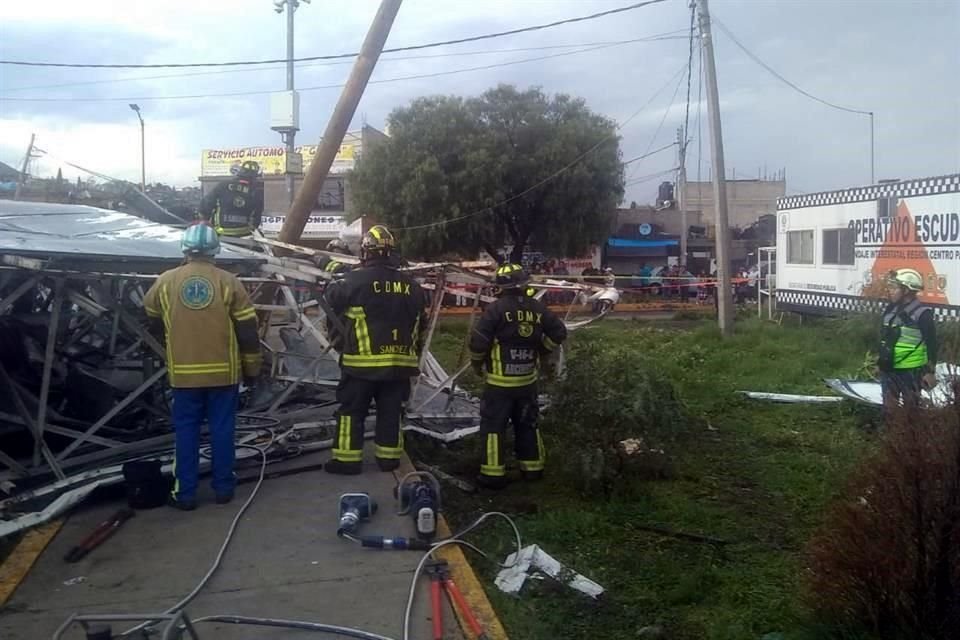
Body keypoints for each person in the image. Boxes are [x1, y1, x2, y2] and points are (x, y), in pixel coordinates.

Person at [142, 224, 262, 510]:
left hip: (183, 375)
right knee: (223, 430)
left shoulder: (165, 281)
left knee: (186, 433)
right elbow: (247, 330)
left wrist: (170, 336)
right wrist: (253, 369)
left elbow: (151, 315)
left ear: (185, 249)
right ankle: (224, 489)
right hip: (224, 373)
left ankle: (185, 494)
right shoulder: (229, 281)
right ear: (215, 250)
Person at [323, 225, 428, 474]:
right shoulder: (413, 287)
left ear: (365, 253)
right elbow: (421, 325)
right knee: (391, 412)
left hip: (362, 365)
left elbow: (331, 300)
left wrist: (333, 268)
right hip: (399, 365)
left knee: (351, 411)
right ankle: (388, 459)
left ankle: (346, 461)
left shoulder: (353, 281)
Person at [469, 264, 568, 489]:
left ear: (501, 287)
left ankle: (492, 475)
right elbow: (559, 332)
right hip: (527, 383)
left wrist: (477, 364)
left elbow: (478, 343)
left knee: (494, 427)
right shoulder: (537, 308)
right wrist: (541, 349)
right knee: (528, 424)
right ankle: (532, 469)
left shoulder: (495, 310)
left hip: (499, 385)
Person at [879, 268, 937, 413]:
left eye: (895, 288)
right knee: (889, 411)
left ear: (907, 291)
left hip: (910, 372)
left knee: (911, 413)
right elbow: (884, 339)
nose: (890, 290)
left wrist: (930, 372)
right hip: (888, 369)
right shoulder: (890, 310)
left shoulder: (923, 314)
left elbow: (932, 344)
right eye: (890, 287)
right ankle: (892, 435)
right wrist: (879, 362)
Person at [199, 160, 264, 237]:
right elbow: (257, 215)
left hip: (221, 233)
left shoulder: (223, 185)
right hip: (244, 234)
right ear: (255, 177)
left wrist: (205, 219)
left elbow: (206, 204)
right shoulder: (256, 191)